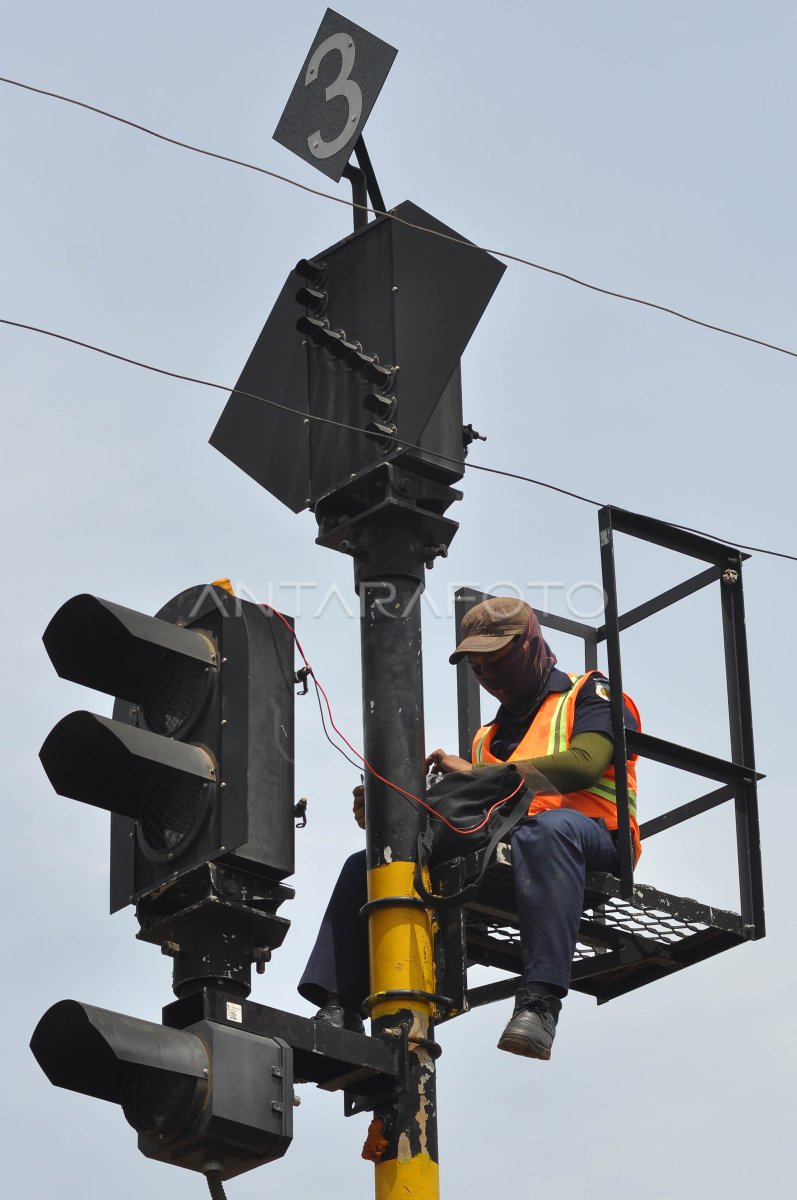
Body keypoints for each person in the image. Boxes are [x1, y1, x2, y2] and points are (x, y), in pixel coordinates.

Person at [298, 597, 640, 1060]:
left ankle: (539, 1002)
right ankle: (338, 1007)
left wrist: (479, 774)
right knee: (371, 863)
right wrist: (391, 812)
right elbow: (481, 812)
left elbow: (585, 765)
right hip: (514, 846)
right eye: (478, 667)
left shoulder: (590, 693)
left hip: (594, 837)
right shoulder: (485, 738)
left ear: (529, 647)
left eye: (496, 660)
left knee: (551, 829)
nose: (488, 675)